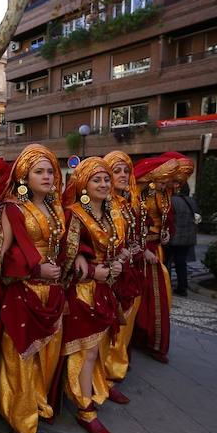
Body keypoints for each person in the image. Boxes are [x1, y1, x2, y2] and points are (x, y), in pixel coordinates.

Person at [0, 144, 66, 433]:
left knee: (45, 360)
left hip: (53, 295)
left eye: (50, 171)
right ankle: (23, 428)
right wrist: (34, 269)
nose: (47, 177)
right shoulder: (12, 210)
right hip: (23, 294)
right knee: (20, 363)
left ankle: (36, 406)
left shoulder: (55, 208)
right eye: (39, 171)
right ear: (24, 176)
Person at [58, 157, 131, 433]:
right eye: (96, 180)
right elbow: (66, 258)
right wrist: (90, 270)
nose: (103, 184)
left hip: (105, 289)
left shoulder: (111, 212)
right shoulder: (75, 215)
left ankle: (90, 392)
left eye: (105, 179)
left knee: (96, 349)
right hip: (82, 292)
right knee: (85, 352)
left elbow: (115, 248)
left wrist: (117, 262)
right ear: (83, 185)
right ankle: (85, 409)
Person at [99, 151, 144, 386]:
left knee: (126, 319)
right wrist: (118, 253)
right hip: (111, 273)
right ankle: (107, 371)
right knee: (113, 322)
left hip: (129, 269)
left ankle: (117, 364)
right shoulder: (104, 204)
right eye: (116, 171)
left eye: (126, 171)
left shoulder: (126, 203)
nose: (123, 175)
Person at [132, 156, 178, 363]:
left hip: (155, 249)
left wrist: (165, 234)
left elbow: (165, 220)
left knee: (156, 296)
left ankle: (152, 340)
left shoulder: (162, 195)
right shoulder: (136, 196)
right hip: (141, 253)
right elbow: (130, 227)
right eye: (162, 181)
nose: (164, 185)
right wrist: (142, 250)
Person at [166, 182, 199, 297]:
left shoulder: (171, 200)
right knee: (181, 262)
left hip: (174, 236)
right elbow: (197, 217)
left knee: (167, 261)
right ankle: (182, 287)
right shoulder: (192, 201)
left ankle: (166, 285)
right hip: (188, 237)